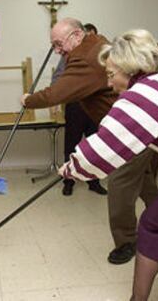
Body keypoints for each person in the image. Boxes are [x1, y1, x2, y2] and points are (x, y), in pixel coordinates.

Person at [60, 28, 158, 301]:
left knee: (151, 227)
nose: (109, 84)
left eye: (110, 74)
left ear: (128, 69)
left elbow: (103, 149)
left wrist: (71, 169)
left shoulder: (138, 95)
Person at [21, 18, 158, 265]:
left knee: (119, 184)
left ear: (76, 36)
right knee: (144, 183)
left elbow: (58, 93)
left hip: (126, 133)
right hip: (136, 127)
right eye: (53, 46)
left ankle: (127, 242)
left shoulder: (85, 57)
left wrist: (29, 100)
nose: (57, 50)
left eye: (58, 44)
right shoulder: (96, 43)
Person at [51, 23, 107, 196]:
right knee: (72, 144)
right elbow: (58, 77)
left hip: (95, 106)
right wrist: (54, 98)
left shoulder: (103, 54)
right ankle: (68, 181)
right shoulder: (69, 56)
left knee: (95, 145)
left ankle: (94, 181)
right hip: (76, 105)